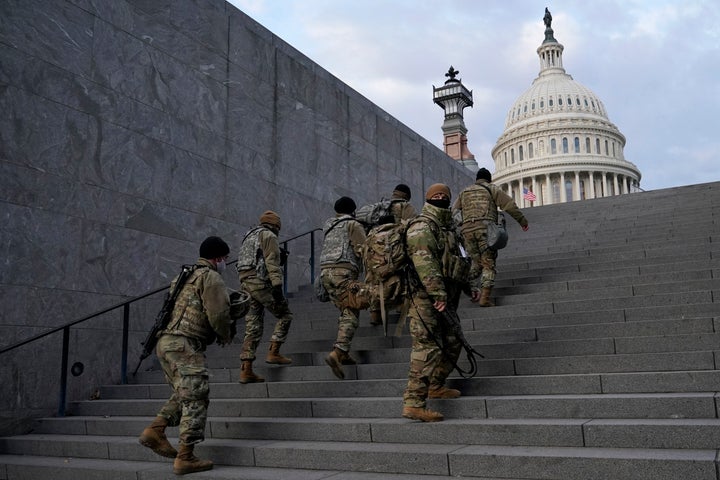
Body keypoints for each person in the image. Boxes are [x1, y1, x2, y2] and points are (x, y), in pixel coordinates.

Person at [138, 236, 235, 475]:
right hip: (184, 344)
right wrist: (225, 335)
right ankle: (186, 457)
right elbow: (219, 313)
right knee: (196, 396)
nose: (226, 263)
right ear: (218, 258)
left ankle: (156, 429)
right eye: (226, 259)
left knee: (185, 392)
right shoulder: (210, 276)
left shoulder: (183, 276)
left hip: (166, 342)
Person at [402, 184, 471, 422]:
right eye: (436, 196)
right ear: (428, 199)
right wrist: (437, 293)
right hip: (425, 297)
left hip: (447, 298)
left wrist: (468, 287)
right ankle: (413, 403)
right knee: (427, 347)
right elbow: (424, 261)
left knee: (453, 341)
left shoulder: (449, 228)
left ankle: (436, 385)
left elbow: (458, 261)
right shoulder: (422, 225)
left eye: (445, 197)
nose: (441, 199)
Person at [453, 168, 529, 307]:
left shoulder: (465, 192)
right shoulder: (492, 189)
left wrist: (463, 222)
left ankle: (463, 284)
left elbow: (454, 211)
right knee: (488, 264)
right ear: (489, 179)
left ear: (477, 179)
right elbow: (509, 205)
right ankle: (485, 298)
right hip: (486, 230)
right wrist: (523, 222)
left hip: (467, 231)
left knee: (476, 263)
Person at [236, 211, 293, 384]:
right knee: (285, 315)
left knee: (253, 326)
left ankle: (246, 369)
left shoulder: (249, 236)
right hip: (261, 283)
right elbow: (272, 262)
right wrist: (277, 286)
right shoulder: (268, 236)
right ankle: (274, 352)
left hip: (246, 284)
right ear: (276, 226)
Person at [320, 196, 372, 379]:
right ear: (353, 210)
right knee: (352, 310)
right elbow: (363, 250)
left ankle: (344, 351)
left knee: (345, 310)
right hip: (343, 272)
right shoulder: (353, 225)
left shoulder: (329, 225)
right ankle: (338, 352)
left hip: (325, 275)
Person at [368, 183, 418, 326]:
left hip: (376, 250)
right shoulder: (406, 207)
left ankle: (375, 313)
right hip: (395, 250)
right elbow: (412, 227)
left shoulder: (382, 206)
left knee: (374, 279)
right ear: (407, 196)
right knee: (401, 275)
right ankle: (401, 306)